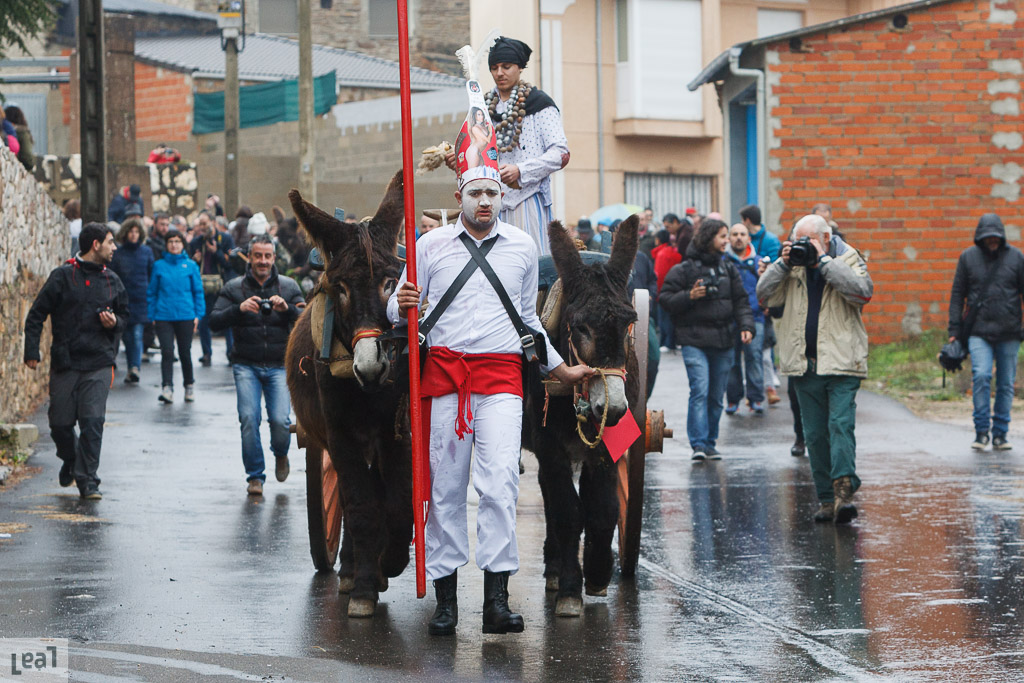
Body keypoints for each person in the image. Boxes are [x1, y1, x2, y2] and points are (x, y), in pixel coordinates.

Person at [391, 137, 590, 637]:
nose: (485, 201)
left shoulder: (523, 247)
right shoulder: (429, 245)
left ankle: (496, 602)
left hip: (501, 377)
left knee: (500, 483)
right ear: (460, 196)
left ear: (502, 197)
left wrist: (559, 368)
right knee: (446, 490)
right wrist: (405, 301)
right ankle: (446, 603)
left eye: (493, 193)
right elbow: (397, 308)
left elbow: (527, 320)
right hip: (443, 378)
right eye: (476, 192)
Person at [756, 214, 872, 524]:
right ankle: (825, 499)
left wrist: (823, 262)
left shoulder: (847, 256)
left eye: (808, 241)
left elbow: (862, 292)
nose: (802, 247)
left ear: (824, 238)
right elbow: (763, 296)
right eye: (798, 240)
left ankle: (844, 488)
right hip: (803, 363)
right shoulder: (791, 265)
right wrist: (781, 265)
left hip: (842, 361)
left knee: (840, 424)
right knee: (815, 434)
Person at [23, 222, 129, 500]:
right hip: (66, 363)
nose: (114, 247)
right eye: (109, 242)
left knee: (92, 423)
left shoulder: (113, 281)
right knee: (59, 424)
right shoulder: (62, 276)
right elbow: (36, 314)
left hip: (99, 363)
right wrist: (31, 351)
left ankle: (88, 481)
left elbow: (126, 318)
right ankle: (71, 460)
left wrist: (115, 322)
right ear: (96, 245)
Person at [445, 37, 569, 255]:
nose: (499, 73)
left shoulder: (540, 104)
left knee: (531, 259)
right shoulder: (482, 107)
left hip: (527, 198)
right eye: (494, 68)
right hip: (489, 200)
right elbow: (478, 151)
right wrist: (461, 158)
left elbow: (561, 153)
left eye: (506, 66)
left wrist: (521, 170)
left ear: (520, 68)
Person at [209, 235, 304, 495]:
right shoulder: (234, 287)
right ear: (249, 257)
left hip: (278, 363)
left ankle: (281, 453)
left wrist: (287, 310)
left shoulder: (288, 286)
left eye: (267, 256)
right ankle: (255, 477)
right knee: (249, 418)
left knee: (280, 420)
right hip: (246, 364)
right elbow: (214, 321)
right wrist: (238, 309)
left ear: (274, 258)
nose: (263, 261)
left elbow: (307, 322)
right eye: (258, 256)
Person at [660, 218, 755, 461]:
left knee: (716, 395)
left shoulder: (728, 268)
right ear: (708, 238)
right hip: (693, 340)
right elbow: (666, 300)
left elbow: (741, 301)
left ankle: (711, 442)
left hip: (723, 340)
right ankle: (699, 444)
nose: (727, 241)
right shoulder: (683, 270)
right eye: (723, 236)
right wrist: (689, 295)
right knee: (700, 389)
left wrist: (746, 326)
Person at [948, 213, 1024, 451]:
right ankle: (981, 432)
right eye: (987, 237)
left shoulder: (1016, 258)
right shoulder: (968, 258)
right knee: (981, 376)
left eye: (995, 237)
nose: (992, 241)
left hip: (1009, 331)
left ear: (1001, 236)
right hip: (978, 330)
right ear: (980, 237)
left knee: (1006, 384)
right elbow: (957, 295)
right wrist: (954, 330)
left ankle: (1000, 433)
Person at [146, 229, 204, 403]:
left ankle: (189, 385)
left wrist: (198, 315)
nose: (174, 245)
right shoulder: (158, 266)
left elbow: (198, 291)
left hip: (186, 314)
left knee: (185, 352)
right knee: (167, 352)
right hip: (164, 315)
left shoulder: (191, 266)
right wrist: (152, 315)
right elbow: (152, 292)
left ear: (182, 244)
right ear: (166, 244)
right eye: (171, 241)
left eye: (177, 241)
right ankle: (167, 387)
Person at [724, 223, 765, 415]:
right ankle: (733, 400)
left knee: (754, 358)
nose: (738, 237)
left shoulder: (759, 264)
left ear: (749, 238)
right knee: (731, 361)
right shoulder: (723, 262)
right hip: (729, 320)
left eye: (742, 234)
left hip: (755, 317)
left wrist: (766, 307)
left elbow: (768, 289)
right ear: (729, 238)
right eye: (735, 234)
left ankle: (756, 399)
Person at [110, 218, 154, 383]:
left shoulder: (146, 252)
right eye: (131, 232)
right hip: (122, 298)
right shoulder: (118, 254)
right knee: (125, 336)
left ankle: (134, 367)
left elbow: (151, 273)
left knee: (136, 334)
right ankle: (128, 365)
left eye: (137, 232)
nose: (134, 235)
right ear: (125, 233)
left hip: (141, 298)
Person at [189, 211, 235, 366]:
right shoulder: (196, 242)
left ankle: (231, 352)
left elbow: (230, 264)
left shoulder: (225, 239)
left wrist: (216, 253)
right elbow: (189, 265)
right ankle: (206, 353)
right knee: (203, 320)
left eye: (204, 223)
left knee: (226, 318)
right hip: (203, 286)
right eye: (200, 224)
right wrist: (195, 260)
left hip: (221, 285)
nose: (202, 227)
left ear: (213, 222)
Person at [652, 229, 681, 352]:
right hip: (675, 290)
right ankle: (670, 341)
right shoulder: (673, 252)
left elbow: (659, 275)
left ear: (658, 240)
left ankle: (667, 342)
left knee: (664, 318)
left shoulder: (661, 254)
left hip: (663, 291)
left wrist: (657, 292)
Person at [4, 105, 34, 171]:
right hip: (19, 172)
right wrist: (30, 166)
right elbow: (27, 155)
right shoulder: (22, 132)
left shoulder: (5, 131)